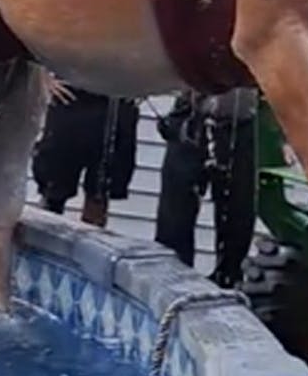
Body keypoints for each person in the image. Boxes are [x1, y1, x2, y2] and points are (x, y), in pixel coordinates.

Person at [154, 86, 260, 288]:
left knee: (238, 212)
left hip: (240, 123)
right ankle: (173, 284)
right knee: (174, 215)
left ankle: (229, 281)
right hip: (190, 118)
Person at [30, 75, 140, 227]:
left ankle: (94, 241)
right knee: (53, 187)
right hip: (71, 96)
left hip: (116, 101)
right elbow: (35, 52)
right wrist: (42, 78)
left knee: (100, 193)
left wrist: (146, 87)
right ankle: (43, 242)